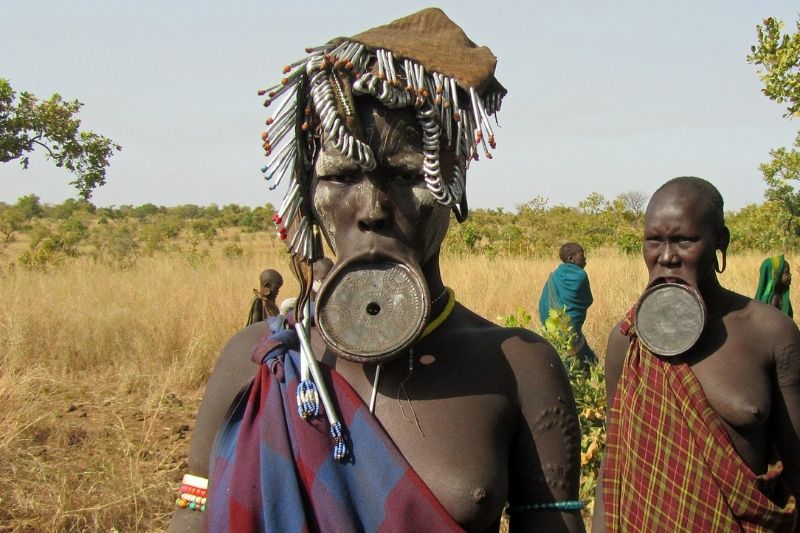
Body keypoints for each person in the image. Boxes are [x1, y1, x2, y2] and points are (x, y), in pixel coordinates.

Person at [169, 8, 584, 532]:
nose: (372, 208)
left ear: (453, 184)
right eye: (342, 175)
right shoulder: (255, 361)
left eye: (408, 173)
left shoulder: (518, 367)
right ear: (304, 194)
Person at [593, 176, 800, 532]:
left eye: (684, 240)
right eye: (654, 241)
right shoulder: (628, 341)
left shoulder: (770, 333)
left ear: (721, 241)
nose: (667, 256)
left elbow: (798, 465)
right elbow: (615, 467)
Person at [538, 242, 597, 368]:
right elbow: (587, 300)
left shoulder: (555, 275)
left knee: (565, 351)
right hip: (570, 327)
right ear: (571, 259)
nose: (585, 258)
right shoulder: (580, 275)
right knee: (584, 360)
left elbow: (544, 302)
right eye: (582, 255)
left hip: (552, 326)